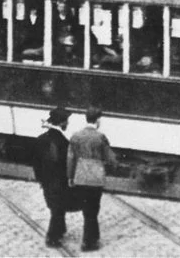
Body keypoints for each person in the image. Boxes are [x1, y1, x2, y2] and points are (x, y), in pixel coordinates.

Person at [66, 107, 116, 252]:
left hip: (81, 177)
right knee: (93, 210)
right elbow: (110, 158)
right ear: (98, 120)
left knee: (87, 210)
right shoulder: (100, 137)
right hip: (95, 178)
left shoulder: (75, 136)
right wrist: (112, 167)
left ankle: (92, 238)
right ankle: (89, 242)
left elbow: (70, 158)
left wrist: (70, 176)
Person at [32, 106, 72, 247]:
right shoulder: (64, 143)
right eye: (66, 121)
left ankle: (60, 229)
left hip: (47, 181)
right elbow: (67, 165)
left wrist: (40, 179)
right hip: (60, 182)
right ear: (61, 123)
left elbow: (36, 163)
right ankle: (52, 237)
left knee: (56, 207)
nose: (67, 124)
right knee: (57, 209)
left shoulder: (40, 139)